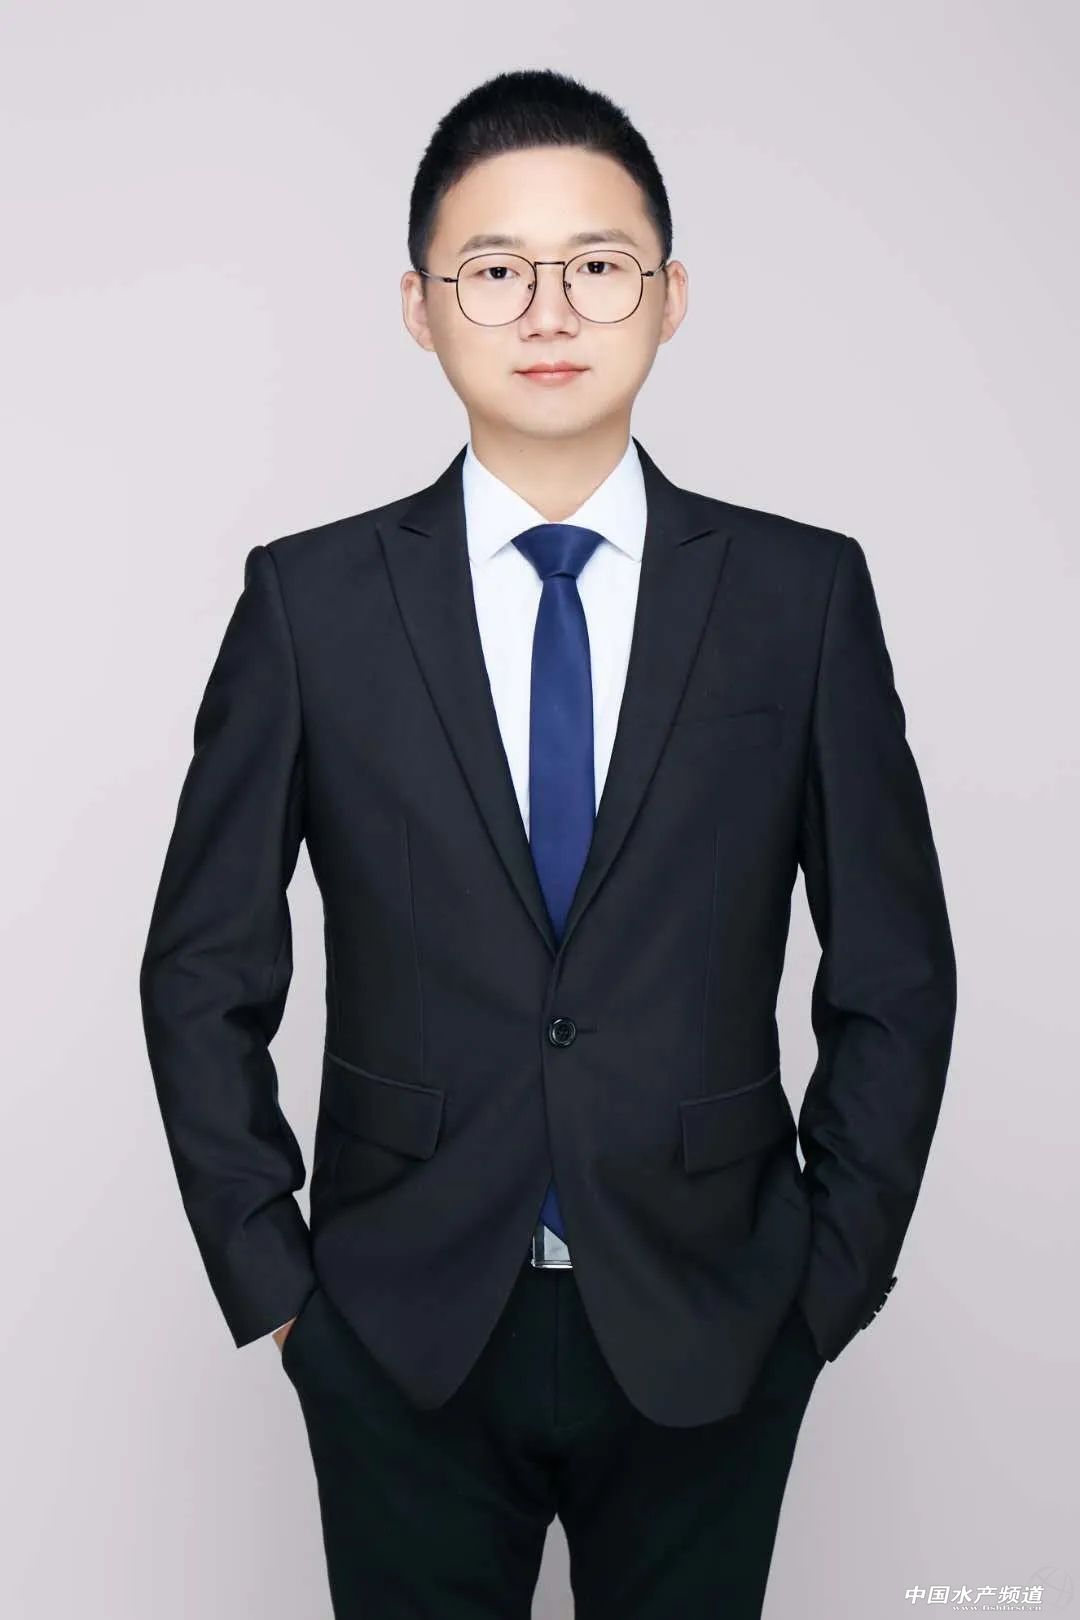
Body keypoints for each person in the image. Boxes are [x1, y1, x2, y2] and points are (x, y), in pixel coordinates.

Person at [139, 66, 957, 1620]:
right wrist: (281, 1293)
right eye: (496, 270)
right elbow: (200, 969)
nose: (549, 310)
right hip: (399, 1326)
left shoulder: (799, 599)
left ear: (670, 296)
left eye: (597, 264)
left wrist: (825, 1283)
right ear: (420, 306)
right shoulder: (312, 606)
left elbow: (897, 972)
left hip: (718, 1315)